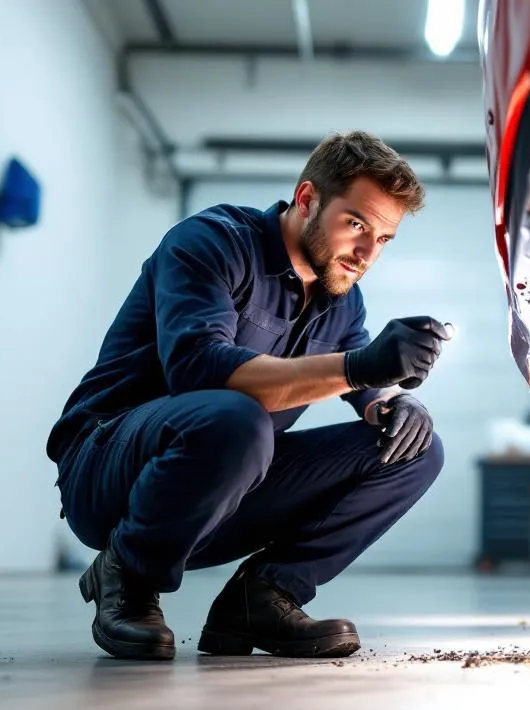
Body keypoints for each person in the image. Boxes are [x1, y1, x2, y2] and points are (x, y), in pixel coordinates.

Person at [46, 131, 450, 661]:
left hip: (222, 486)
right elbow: (199, 367)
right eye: (357, 224)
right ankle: (127, 572)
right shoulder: (213, 241)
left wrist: (393, 403)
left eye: (384, 239)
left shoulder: (341, 300)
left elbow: (363, 381)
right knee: (237, 418)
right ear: (307, 199)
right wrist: (359, 367)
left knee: (417, 449)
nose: (367, 253)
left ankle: (260, 599)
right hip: (108, 472)